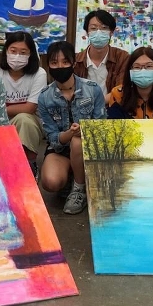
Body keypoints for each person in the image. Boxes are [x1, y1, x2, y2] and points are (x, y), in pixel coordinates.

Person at [37, 40, 105, 215]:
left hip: (87, 148)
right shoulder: (45, 97)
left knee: (77, 141)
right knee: (51, 182)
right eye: (54, 62)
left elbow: (101, 125)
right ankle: (72, 176)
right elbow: (52, 137)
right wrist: (69, 133)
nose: (60, 66)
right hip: (60, 150)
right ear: (48, 65)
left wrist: (83, 132)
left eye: (65, 61)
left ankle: (79, 189)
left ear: (73, 63)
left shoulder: (93, 89)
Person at [0, 31, 48, 171]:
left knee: (24, 119)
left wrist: (0, 110)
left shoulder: (39, 74)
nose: (17, 56)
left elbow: (30, 108)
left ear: (31, 54)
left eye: (23, 52)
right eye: (13, 51)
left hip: (32, 122)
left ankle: (29, 166)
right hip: (3, 122)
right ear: (6, 51)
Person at [106, 46, 153, 119]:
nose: (143, 71)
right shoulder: (118, 95)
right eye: (137, 67)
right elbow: (114, 125)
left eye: (149, 66)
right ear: (130, 71)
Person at [75, 9, 130, 92]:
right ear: (87, 32)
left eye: (104, 28)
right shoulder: (76, 60)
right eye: (93, 28)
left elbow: (121, 89)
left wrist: (103, 100)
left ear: (111, 32)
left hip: (112, 100)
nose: (98, 32)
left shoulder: (122, 57)